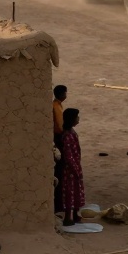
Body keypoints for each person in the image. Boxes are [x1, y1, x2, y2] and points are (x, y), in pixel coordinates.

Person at [58, 108, 85, 227]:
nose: (78, 119)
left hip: (75, 166)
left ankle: (75, 214)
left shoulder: (71, 132)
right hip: (70, 169)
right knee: (70, 192)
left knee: (76, 191)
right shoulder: (67, 135)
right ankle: (68, 217)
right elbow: (68, 156)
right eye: (76, 117)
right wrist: (75, 168)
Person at [52, 85, 68, 214]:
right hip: (57, 138)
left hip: (57, 137)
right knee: (59, 171)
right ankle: (58, 205)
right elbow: (59, 125)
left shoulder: (57, 105)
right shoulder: (56, 107)